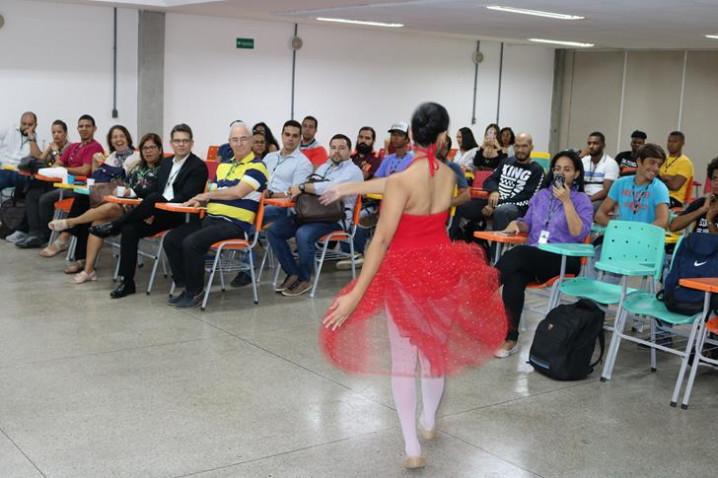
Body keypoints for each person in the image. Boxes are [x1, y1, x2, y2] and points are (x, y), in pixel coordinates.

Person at [319, 102, 506, 469]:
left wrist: (356, 293)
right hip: (444, 268)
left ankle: (412, 448)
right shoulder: (450, 175)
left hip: (406, 273)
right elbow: (396, 183)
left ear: (410, 136)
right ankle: (429, 422)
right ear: (440, 137)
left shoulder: (405, 179)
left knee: (405, 361)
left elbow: (381, 239)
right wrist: (351, 186)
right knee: (432, 351)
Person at [90, 123, 208, 298]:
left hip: (180, 215)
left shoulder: (197, 166)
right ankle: (127, 282)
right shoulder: (167, 163)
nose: (181, 144)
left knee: (153, 200)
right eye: (177, 141)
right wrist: (133, 192)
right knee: (130, 229)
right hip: (159, 211)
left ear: (192, 143)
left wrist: (156, 207)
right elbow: (155, 188)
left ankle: (113, 227)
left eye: (185, 141)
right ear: (171, 143)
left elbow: (186, 196)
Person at [495, 150, 593, 358]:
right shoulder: (541, 195)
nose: (561, 173)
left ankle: (478, 292)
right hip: (534, 256)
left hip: (564, 258)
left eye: (567, 169)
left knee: (519, 254)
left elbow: (579, 233)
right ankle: (510, 337)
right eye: (557, 169)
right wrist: (517, 224)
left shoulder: (582, 199)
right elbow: (528, 223)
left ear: (576, 174)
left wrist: (567, 201)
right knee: (515, 276)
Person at [163, 122, 268, 308]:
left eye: (244, 138)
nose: (239, 143)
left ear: (251, 141)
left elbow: (237, 193)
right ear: (229, 142)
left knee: (192, 242)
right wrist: (200, 201)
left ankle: (195, 292)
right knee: (171, 239)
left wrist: (206, 195)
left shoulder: (258, 167)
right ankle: (186, 284)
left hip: (235, 224)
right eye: (234, 139)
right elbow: (215, 191)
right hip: (211, 219)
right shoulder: (223, 166)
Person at [48, 133, 163, 283]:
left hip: (144, 211)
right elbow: (123, 184)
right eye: (145, 148)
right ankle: (88, 271)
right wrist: (121, 191)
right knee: (97, 224)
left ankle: (71, 222)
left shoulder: (163, 169)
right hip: (125, 205)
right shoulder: (136, 167)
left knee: (110, 208)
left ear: (160, 150)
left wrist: (129, 193)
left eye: (152, 147)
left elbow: (156, 191)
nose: (148, 151)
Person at [265, 134, 364, 297]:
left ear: (349, 151)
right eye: (333, 147)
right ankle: (293, 273)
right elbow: (304, 187)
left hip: (335, 218)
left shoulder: (353, 171)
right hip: (311, 214)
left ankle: (305, 279)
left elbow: (330, 188)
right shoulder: (324, 167)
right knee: (274, 230)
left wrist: (304, 187)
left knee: (303, 234)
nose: (336, 151)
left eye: (342, 148)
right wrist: (279, 193)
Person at [53, 124, 140, 272]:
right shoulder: (111, 156)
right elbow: (96, 178)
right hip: (106, 196)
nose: (118, 140)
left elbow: (121, 176)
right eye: (114, 137)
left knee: (84, 203)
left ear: (127, 138)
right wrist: (96, 164)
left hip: (125, 200)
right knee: (83, 200)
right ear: (110, 141)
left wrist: (104, 170)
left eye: (121, 136)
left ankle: (68, 235)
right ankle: (79, 256)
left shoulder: (136, 156)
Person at [28, 115, 104, 253]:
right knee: (33, 193)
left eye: (88, 126)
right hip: (65, 184)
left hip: (82, 186)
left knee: (45, 199)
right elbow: (58, 163)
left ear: (94, 128)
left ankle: (53, 236)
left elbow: (85, 170)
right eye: (81, 126)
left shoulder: (95, 146)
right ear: (77, 128)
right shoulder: (74, 146)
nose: (84, 129)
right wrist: (60, 168)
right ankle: (38, 233)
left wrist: (64, 169)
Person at [451, 133, 543, 240]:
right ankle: (454, 243)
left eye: (524, 146)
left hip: (517, 209)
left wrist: (495, 206)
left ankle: (497, 253)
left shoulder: (537, 170)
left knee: (502, 211)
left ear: (531, 147)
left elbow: (526, 197)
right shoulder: (506, 162)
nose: (520, 150)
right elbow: (490, 180)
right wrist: (494, 191)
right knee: (462, 205)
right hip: (494, 202)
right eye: (517, 146)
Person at [9, 120, 70, 245]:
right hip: (50, 183)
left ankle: (30, 231)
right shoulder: (53, 146)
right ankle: (33, 233)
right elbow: (41, 161)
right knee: (32, 193)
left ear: (65, 133)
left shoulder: (70, 147)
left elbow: (58, 166)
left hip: (63, 184)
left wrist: (54, 151)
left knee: (31, 187)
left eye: (59, 132)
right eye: (53, 132)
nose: (56, 135)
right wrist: (48, 149)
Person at [595, 143, 670, 228]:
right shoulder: (620, 183)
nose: (656, 168)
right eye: (652, 162)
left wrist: (636, 233)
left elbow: (663, 221)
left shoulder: (660, 188)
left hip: (645, 237)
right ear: (639, 161)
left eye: (659, 165)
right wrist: (619, 228)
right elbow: (599, 215)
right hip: (621, 235)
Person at [669, 157, 718, 235]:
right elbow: (673, 226)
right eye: (714, 178)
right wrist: (702, 210)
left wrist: (709, 220)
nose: (716, 183)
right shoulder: (702, 203)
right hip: (695, 246)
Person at [0, 111, 44, 192]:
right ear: (20, 122)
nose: (26, 127)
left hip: (20, 173)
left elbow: (38, 157)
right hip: (3, 169)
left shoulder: (38, 138)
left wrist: (31, 138)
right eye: (24, 124)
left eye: (30, 125)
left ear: (35, 125)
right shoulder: (10, 130)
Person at [581, 131, 618, 211]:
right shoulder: (583, 161)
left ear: (603, 145)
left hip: (600, 199)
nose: (591, 146)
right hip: (583, 197)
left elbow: (606, 191)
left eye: (595, 143)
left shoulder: (610, 163)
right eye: (589, 143)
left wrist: (587, 200)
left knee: (587, 208)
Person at [660, 131, 694, 208]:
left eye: (675, 141)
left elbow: (674, 186)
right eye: (669, 141)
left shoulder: (685, 162)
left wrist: (660, 178)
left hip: (673, 199)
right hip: (657, 194)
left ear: (682, 143)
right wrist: (669, 178)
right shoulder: (662, 158)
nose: (670, 144)